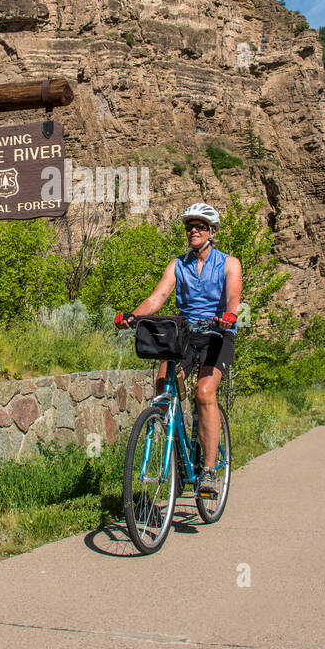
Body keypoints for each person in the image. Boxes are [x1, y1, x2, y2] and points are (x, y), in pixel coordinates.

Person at [115, 203, 242, 480]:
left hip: (217, 334)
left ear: (212, 231)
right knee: (163, 385)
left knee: (204, 392)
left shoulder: (229, 263)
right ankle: (174, 445)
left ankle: (208, 470)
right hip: (185, 335)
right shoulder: (177, 265)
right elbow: (157, 298)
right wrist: (132, 316)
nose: (193, 231)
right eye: (189, 227)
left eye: (199, 227)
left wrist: (229, 316)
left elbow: (233, 296)